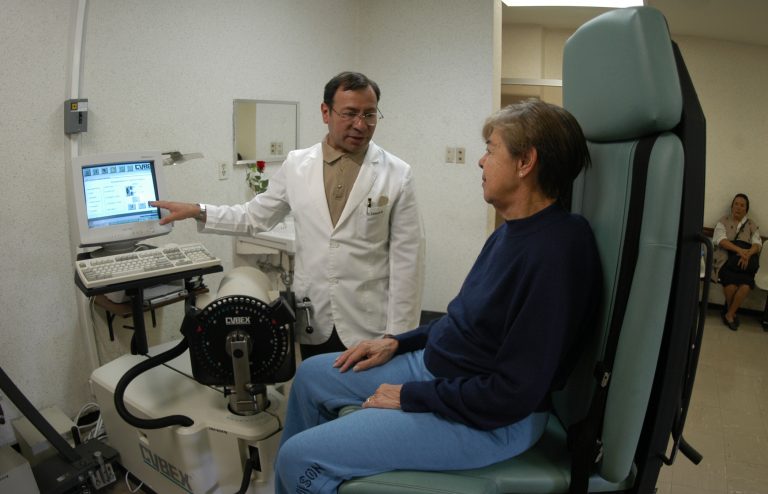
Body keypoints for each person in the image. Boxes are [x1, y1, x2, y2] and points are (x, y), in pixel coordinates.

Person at [273, 100, 602, 494]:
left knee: (299, 457)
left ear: (525, 162)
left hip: (489, 419)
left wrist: (412, 397)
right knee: (310, 377)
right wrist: (397, 341)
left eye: (491, 149)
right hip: (438, 368)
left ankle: (312, 471)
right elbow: (464, 319)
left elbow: (512, 395)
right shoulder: (512, 231)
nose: (481, 162)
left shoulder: (556, 254)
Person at [151, 72, 424, 359]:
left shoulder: (397, 173)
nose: (360, 125)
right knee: (315, 392)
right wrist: (199, 211)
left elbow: (408, 261)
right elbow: (254, 217)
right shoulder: (297, 165)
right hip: (314, 316)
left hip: (369, 323)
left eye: (370, 114)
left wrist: (398, 337)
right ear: (325, 112)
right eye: (350, 113)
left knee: (364, 401)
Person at [712, 193, 762, 331]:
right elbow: (720, 240)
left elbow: (757, 244)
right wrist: (739, 250)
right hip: (726, 261)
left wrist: (746, 254)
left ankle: (729, 313)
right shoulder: (723, 221)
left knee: (745, 286)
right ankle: (731, 313)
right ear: (731, 206)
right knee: (731, 286)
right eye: (736, 204)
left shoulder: (751, 224)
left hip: (745, 263)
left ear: (746, 209)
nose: (738, 207)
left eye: (742, 205)